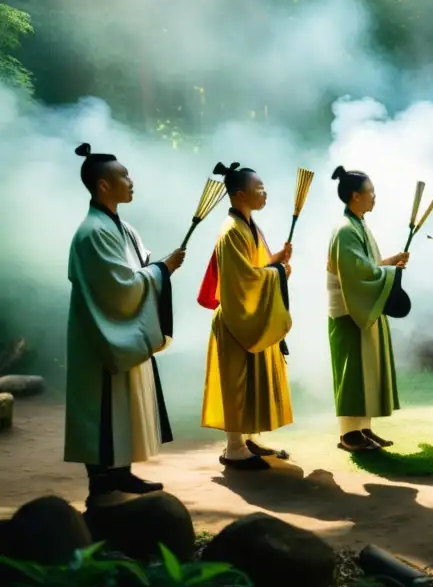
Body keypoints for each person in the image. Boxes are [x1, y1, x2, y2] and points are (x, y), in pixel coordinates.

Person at [65, 143, 185, 506]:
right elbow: (120, 288)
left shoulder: (120, 227)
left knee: (123, 404)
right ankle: (101, 484)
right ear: (103, 186)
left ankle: (121, 472)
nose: (131, 182)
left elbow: (136, 270)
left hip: (120, 330)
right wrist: (162, 269)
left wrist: (158, 267)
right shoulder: (92, 232)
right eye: (124, 177)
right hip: (101, 336)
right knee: (100, 407)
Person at [198, 161, 293, 470]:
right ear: (240, 195)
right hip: (236, 318)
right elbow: (242, 280)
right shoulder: (231, 230)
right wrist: (278, 272)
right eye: (259, 189)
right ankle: (234, 447)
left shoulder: (248, 225)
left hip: (250, 314)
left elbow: (256, 267)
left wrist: (276, 260)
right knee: (236, 382)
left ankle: (248, 438)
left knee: (251, 380)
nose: (264, 193)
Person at [327, 166, 411, 452]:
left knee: (366, 371)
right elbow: (357, 274)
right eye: (370, 192)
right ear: (355, 196)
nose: (374, 196)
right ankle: (349, 435)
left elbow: (367, 267)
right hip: (349, 311)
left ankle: (363, 428)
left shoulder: (358, 225)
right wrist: (386, 272)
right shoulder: (345, 230)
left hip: (360, 308)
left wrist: (389, 263)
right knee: (354, 373)